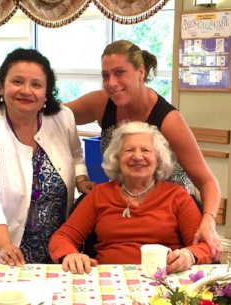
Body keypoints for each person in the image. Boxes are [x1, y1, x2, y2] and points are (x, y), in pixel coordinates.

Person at [65, 40, 222, 261]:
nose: (111, 83)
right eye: (105, 75)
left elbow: (207, 181)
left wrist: (208, 220)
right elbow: (56, 117)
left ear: (140, 72)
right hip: (125, 198)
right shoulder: (102, 103)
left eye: (120, 73)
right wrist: (79, 176)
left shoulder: (169, 121)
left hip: (170, 212)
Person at [0, 48, 95, 271]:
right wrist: (4, 244)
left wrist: (81, 179)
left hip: (58, 249)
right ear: (1, 86)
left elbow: (75, 154)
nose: (26, 91)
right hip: (10, 252)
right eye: (17, 81)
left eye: (36, 84)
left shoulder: (62, 118)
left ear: (46, 93)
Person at [48, 121, 212, 275]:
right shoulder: (99, 195)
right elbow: (63, 237)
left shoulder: (177, 196)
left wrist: (189, 255)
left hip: (163, 281)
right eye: (129, 150)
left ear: (158, 159)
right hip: (107, 281)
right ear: (117, 159)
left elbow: (204, 246)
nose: (137, 156)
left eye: (146, 150)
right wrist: (70, 254)